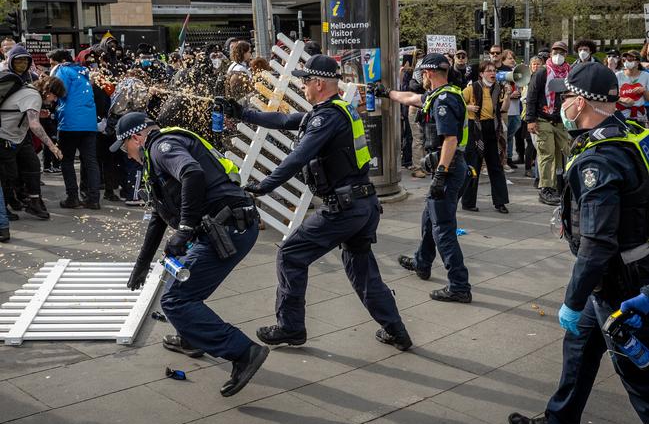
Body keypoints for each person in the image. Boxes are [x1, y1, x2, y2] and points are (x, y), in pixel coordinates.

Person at [221, 54, 413, 351]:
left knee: (290, 254)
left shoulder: (326, 118)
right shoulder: (338, 110)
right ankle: (397, 330)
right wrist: (242, 112)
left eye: (305, 81)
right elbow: (283, 120)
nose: (302, 86)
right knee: (363, 272)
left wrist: (264, 186)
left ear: (319, 83)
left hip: (344, 208)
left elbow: (299, 157)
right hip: (362, 206)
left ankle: (291, 327)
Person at [508, 62, 649, 424]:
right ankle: (560, 421)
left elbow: (598, 243)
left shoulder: (600, 160)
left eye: (566, 96)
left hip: (620, 286)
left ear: (582, 102)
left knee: (639, 378)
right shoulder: (629, 132)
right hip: (616, 278)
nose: (561, 104)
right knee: (580, 347)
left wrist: (572, 299)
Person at [110, 112, 269, 397]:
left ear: (136, 137)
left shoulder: (160, 147)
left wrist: (183, 229)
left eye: (125, 148)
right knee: (177, 286)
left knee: (176, 300)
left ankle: (243, 352)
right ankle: (192, 338)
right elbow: (159, 216)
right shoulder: (156, 158)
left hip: (229, 229)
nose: (127, 155)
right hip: (226, 226)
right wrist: (142, 264)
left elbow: (192, 173)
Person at [377, 53, 472, 303]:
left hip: (449, 169)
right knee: (430, 220)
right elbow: (409, 97)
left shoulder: (443, 101)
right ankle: (422, 262)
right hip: (451, 168)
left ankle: (460, 285)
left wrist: (440, 174)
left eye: (423, 74)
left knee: (443, 229)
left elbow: (450, 139)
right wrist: (386, 92)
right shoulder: (443, 93)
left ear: (429, 74)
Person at [0, 75, 64, 220]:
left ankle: (33, 202)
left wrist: (38, 114)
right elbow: (34, 125)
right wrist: (52, 146)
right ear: (48, 91)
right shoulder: (34, 96)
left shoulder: (31, 91)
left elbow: (19, 111)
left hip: (16, 137)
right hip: (5, 137)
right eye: (55, 96)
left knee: (31, 164)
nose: (54, 100)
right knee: (8, 174)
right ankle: (4, 210)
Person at [49, 49, 101, 210]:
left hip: (70, 123)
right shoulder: (84, 71)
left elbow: (58, 91)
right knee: (91, 161)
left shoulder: (62, 70)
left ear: (62, 60)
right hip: (89, 122)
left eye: (52, 63)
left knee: (66, 160)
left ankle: (72, 197)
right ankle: (93, 199)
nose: (51, 67)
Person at [525, 41, 571, 205]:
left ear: (566, 54)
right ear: (551, 53)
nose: (558, 55)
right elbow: (531, 96)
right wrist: (530, 120)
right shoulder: (542, 72)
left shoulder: (570, 73)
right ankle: (546, 189)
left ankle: (562, 185)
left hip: (562, 120)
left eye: (562, 52)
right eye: (555, 51)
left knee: (569, 151)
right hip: (543, 118)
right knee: (547, 153)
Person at [460, 61, 510, 213]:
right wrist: (467, 107)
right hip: (476, 129)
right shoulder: (472, 88)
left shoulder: (498, 88)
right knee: (473, 166)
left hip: (492, 129)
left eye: (494, 70)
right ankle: (468, 202)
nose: (492, 73)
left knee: (496, 166)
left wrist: (507, 95)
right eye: (489, 71)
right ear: (481, 74)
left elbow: (503, 109)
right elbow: (456, 101)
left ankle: (500, 202)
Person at [615, 49, 649, 124]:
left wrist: (644, 90)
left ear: (638, 62)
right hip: (622, 116)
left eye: (630, 59)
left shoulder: (646, 76)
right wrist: (622, 99)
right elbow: (610, 95)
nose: (627, 62)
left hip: (640, 116)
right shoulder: (618, 75)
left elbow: (648, 99)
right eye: (624, 60)